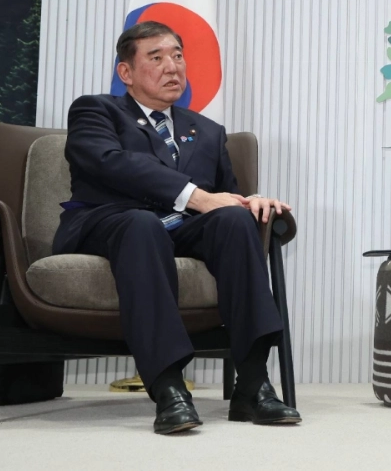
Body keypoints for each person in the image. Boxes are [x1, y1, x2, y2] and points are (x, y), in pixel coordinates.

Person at [52, 21, 301, 434]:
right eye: (156, 57)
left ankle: (253, 384)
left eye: (177, 55)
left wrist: (250, 202)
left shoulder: (206, 130)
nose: (172, 66)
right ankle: (169, 387)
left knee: (237, 221)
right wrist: (196, 197)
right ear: (126, 73)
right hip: (111, 220)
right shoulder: (96, 110)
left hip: (181, 229)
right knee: (142, 224)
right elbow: (109, 163)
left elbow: (224, 197)